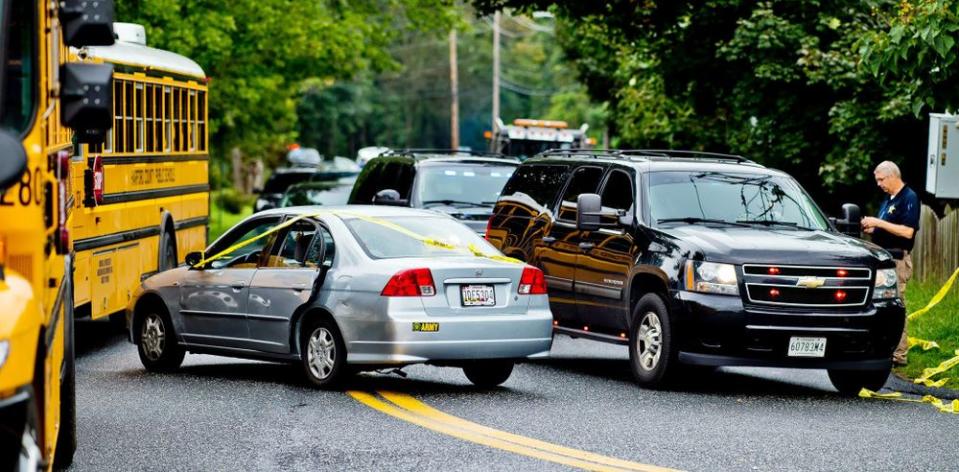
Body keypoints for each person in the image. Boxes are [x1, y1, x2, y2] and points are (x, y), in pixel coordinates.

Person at [861, 161, 920, 366]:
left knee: (896, 305)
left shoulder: (909, 198)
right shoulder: (888, 199)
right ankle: (882, 349)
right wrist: (874, 230)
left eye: (881, 179)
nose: (878, 184)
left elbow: (907, 231)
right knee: (880, 304)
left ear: (893, 176)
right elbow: (888, 228)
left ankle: (899, 355)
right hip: (883, 260)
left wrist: (878, 223)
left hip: (898, 260)